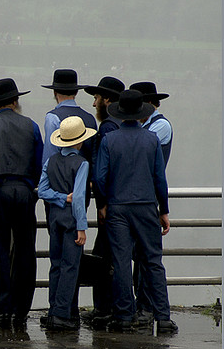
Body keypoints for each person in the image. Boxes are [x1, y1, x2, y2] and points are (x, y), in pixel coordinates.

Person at [95, 89, 177, 333]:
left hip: (118, 208)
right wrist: (164, 209)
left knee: (121, 261)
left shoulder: (110, 140)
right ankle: (162, 317)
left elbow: (100, 177)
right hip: (146, 207)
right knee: (153, 261)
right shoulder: (151, 139)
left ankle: (124, 315)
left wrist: (102, 204)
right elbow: (159, 179)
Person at [0, 78, 43, 329]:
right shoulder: (31, 126)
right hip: (25, 191)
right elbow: (39, 163)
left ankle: (2, 308)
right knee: (26, 251)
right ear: (15, 101)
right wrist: (30, 186)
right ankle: (21, 309)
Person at [40, 69, 96, 321]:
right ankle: (66, 312)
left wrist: (57, 197)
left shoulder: (52, 118)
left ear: (54, 92)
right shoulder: (90, 120)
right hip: (77, 203)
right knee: (72, 263)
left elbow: (46, 164)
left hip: (56, 203)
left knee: (56, 261)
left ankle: (56, 309)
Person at [128, 81, 173, 326]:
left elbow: (141, 149)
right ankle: (143, 306)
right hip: (141, 199)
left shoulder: (160, 126)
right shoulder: (148, 125)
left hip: (147, 200)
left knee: (147, 259)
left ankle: (147, 308)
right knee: (141, 257)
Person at [81, 76, 124, 328]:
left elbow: (100, 171)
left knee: (103, 257)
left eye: (97, 97)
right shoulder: (125, 125)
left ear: (107, 100)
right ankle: (115, 307)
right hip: (127, 203)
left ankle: (103, 310)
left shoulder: (107, 128)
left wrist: (101, 203)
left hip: (110, 204)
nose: (95, 102)